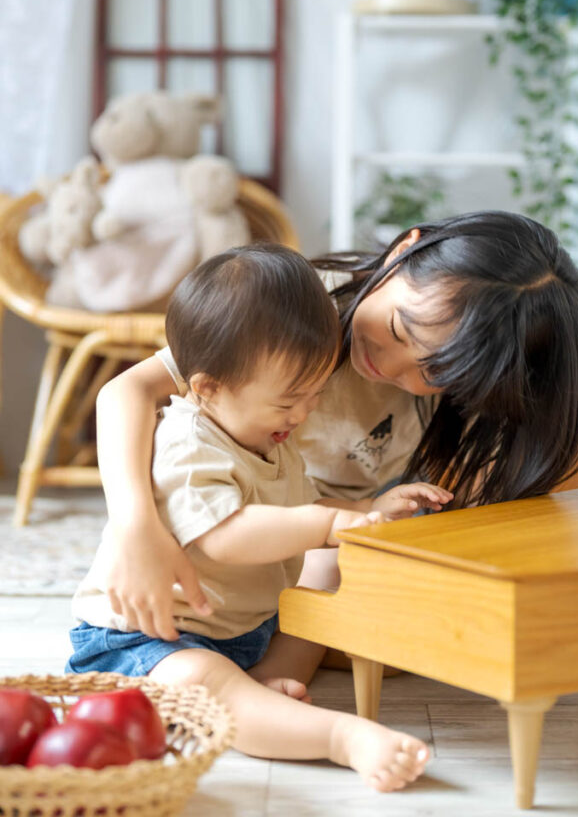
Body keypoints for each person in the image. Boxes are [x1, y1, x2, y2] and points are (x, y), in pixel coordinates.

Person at [95, 211, 578, 647]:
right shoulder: (296, 312)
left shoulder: (469, 385)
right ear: (403, 250)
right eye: (400, 329)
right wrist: (134, 525)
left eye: (436, 372)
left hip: (328, 519)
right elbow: (128, 391)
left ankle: (275, 680)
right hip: (233, 506)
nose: (393, 365)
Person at [67, 244, 437, 791]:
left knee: (329, 578)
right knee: (206, 685)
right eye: (289, 402)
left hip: (241, 627)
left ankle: (268, 681)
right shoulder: (190, 443)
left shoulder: (263, 434)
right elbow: (226, 538)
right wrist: (327, 524)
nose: (305, 414)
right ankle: (340, 737)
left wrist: (363, 511)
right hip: (147, 642)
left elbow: (296, 514)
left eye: (314, 395)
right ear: (207, 388)